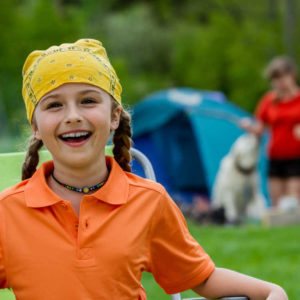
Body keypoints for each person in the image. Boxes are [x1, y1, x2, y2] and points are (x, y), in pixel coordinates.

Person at [0, 39, 287, 299]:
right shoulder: (7, 212)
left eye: (88, 101)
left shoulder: (149, 201)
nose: (73, 116)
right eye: (54, 105)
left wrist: (271, 291)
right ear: (35, 127)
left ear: (114, 117)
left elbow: (202, 277)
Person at [241, 56, 300, 207]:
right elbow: (260, 130)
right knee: (276, 204)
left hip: (296, 157)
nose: (278, 83)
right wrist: (249, 127)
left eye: (281, 77)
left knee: (293, 203)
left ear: (292, 75)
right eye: (275, 79)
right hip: (275, 157)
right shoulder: (268, 101)